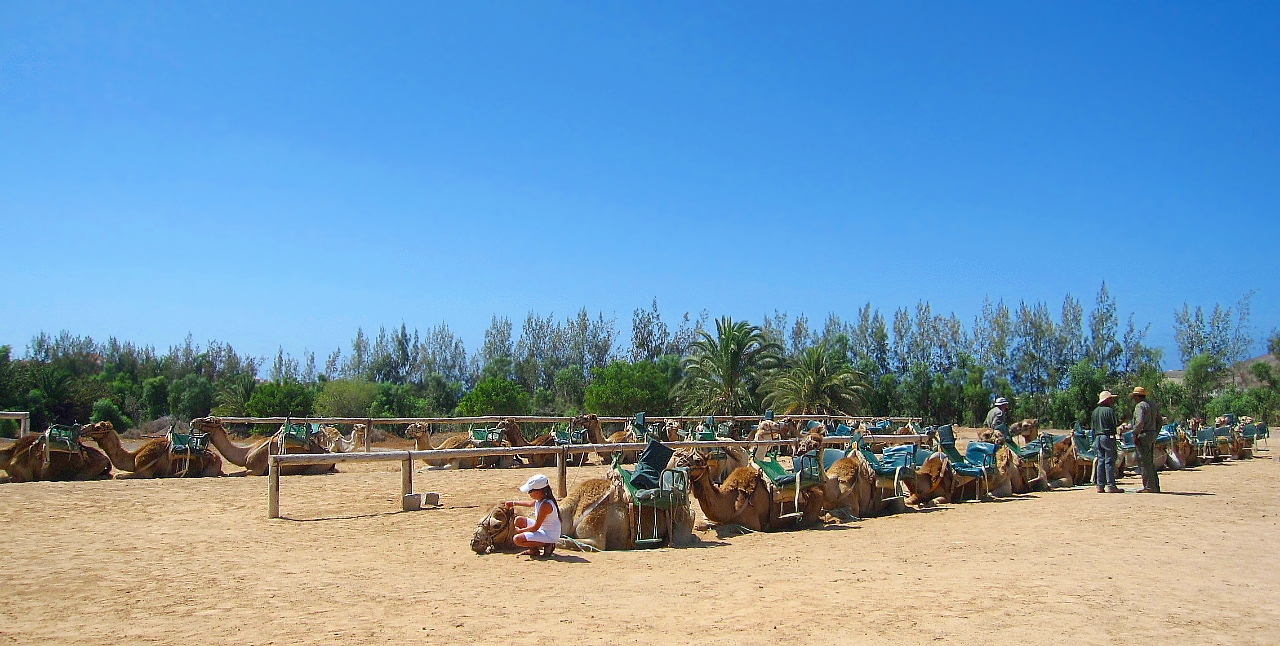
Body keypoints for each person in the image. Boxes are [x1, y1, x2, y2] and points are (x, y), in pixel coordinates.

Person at [505, 474, 562, 557]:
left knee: (517, 539)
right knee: (519, 520)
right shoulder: (540, 500)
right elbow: (529, 503)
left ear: (538, 492)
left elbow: (535, 527)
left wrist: (520, 531)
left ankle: (547, 544)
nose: (528, 494)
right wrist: (513, 503)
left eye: (530, 492)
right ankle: (534, 550)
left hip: (549, 534)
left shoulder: (546, 505)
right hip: (543, 528)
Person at [1130, 386, 1161, 493]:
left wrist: (1134, 434)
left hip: (1143, 435)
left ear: (1137, 396)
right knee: (1150, 461)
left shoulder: (1140, 406)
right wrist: (1155, 433)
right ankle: (1155, 485)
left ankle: (1149, 486)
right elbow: (1159, 421)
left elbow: (1139, 421)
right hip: (1152, 434)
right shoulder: (1152, 405)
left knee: (1143, 462)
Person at [1091, 391, 1123, 493]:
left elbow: (1092, 427)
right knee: (1109, 461)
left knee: (1100, 461)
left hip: (1097, 438)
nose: (1112, 401)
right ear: (1107, 400)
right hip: (1107, 437)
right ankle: (1111, 485)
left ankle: (1100, 486)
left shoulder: (1095, 412)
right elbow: (1115, 424)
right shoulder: (1109, 411)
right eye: (1110, 399)